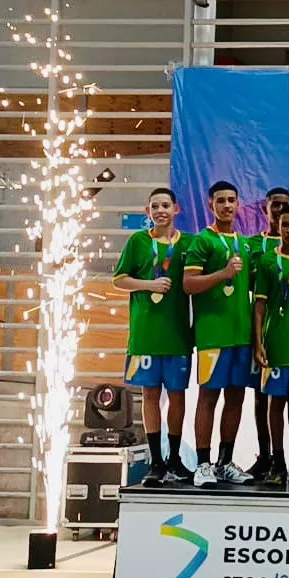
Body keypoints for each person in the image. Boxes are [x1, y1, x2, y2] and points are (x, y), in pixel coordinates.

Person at [113, 187, 194, 487]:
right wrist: (149, 284)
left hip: (177, 332)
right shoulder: (137, 241)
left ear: (176, 210)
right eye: (155, 206)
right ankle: (155, 461)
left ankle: (175, 458)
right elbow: (119, 279)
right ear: (148, 212)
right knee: (149, 395)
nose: (160, 210)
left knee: (177, 396)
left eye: (165, 205)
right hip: (145, 332)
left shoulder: (189, 243)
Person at [183, 181, 257, 488]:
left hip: (241, 335)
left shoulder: (246, 244)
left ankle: (225, 462)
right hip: (213, 335)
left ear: (238, 204)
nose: (227, 205)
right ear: (211, 204)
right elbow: (189, 285)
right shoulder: (203, 241)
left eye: (232, 200)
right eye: (221, 201)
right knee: (208, 398)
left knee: (236, 398)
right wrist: (222, 274)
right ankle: (203, 464)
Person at [246, 187, 289, 481]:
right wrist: (258, 341)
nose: (288, 228)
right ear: (267, 210)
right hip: (272, 341)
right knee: (270, 401)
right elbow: (259, 303)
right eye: (282, 218)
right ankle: (274, 460)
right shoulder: (262, 256)